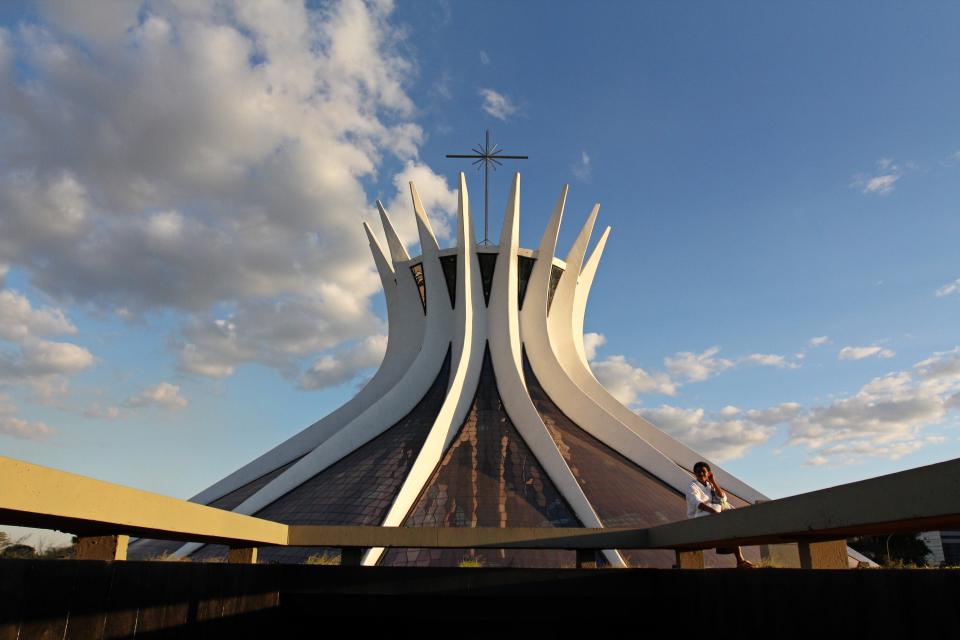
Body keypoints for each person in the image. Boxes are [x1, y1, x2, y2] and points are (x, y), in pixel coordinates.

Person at [687, 461, 755, 568]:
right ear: (694, 473)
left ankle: (739, 560)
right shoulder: (693, 487)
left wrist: (713, 481)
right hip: (699, 518)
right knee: (727, 521)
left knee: (728, 515)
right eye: (698, 472)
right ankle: (739, 560)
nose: (700, 474)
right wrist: (715, 513)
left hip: (715, 516)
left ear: (708, 473)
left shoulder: (710, 486)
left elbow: (722, 498)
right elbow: (698, 504)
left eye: (703, 471)